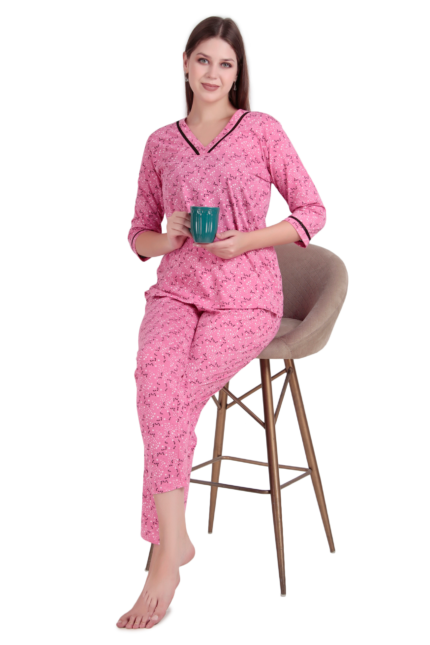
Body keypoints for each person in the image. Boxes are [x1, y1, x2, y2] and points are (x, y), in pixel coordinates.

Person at [117, 16, 326, 630]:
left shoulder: (261, 130)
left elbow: (313, 209)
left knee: (172, 396)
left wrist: (248, 240)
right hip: (177, 291)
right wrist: (170, 235)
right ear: (185, 65)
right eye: (203, 60)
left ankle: (165, 556)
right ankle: (174, 540)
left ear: (238, 74)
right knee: (153, 380)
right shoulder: (161, 143)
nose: (213, 73)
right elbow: (138, 236)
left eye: (225, 64)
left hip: (245, 296)